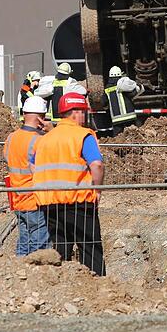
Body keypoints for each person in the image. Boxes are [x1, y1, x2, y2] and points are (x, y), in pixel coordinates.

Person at [33, 91, 106, 276]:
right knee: (90, 248)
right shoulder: (83, 135)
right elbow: (96, 164)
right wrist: (96, 189)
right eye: (83, 112)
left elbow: (33, 166)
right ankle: (96, 287)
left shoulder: (44, 139)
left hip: (49, 203)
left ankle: (61, 286)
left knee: (60, 250)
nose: (84, 117)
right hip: (79, 201)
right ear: (76, 112)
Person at [2, 95, 50, 256]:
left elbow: (9, 161)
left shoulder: (11, 138)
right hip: (35, 201)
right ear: (40, 118)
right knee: (39, 248)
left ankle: (20, 274)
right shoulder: (39, 140)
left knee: (24, 244)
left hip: (17, 199)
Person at [105, 66, 144, 131]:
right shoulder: (123, 85)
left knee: (117, 137)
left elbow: (104, 103)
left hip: (116, 119)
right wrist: (139, 87)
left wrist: (109, 111)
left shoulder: (107, 89)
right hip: (130, 117)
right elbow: (132, 94)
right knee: (133, 135)